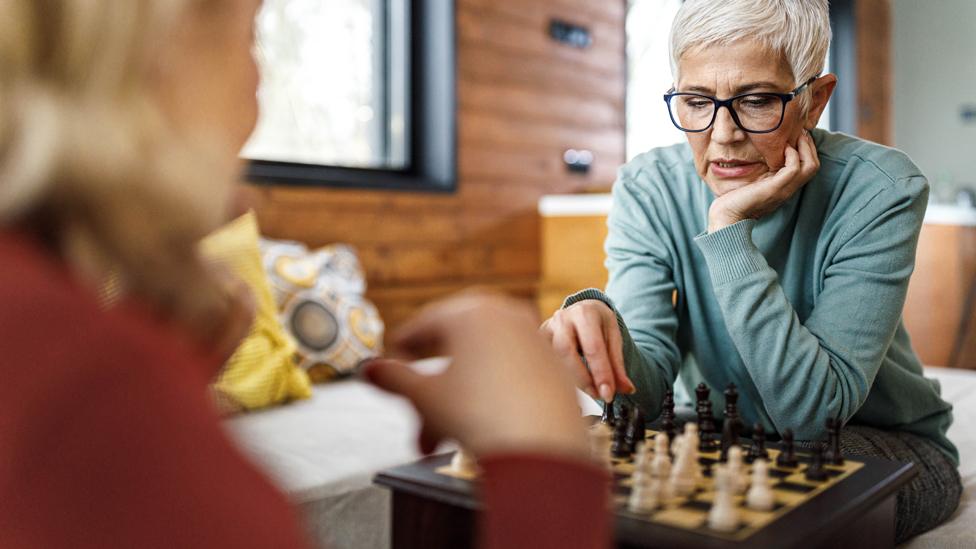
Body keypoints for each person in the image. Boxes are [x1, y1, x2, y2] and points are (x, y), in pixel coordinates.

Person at [0, 1, 609, 548]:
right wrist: (541, 455)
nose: (257, 88)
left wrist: (178, 381)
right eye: (249, 37)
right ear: (154, 52)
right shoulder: (93, 390)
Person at [540, 0, 962, 542]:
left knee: (769, 519)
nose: (722, 136)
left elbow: (813, 419)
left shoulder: (882, 189)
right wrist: (599, 333)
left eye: (757, 101)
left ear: (814, 101)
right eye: (696, 101)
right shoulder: (647, 187)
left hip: (875, 440)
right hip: (721, 433)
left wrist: (728, 230)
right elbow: (643, 403)